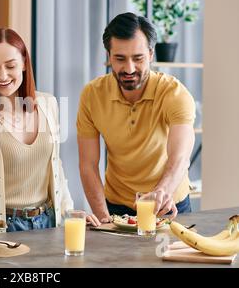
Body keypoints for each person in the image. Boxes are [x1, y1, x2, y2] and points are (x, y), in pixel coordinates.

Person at [0, 28, 83, 232]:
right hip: (5, 226)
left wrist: (68, 211)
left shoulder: (47, 104)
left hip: (49, 222)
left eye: (10, 66)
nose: (2, 75)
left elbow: (55, 166)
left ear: (24, 63)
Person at [77, 12, 196, 227]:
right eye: (120, 59)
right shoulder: (92, 95)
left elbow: (180, 158)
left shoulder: (174, 94)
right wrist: (104, 219)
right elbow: (88, 165)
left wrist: (161, 192)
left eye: (138, 58)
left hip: (168, 203)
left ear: (151, 54)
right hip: (116, 206)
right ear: (109, 55)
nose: (129, 69)